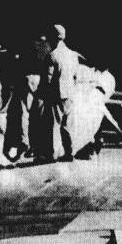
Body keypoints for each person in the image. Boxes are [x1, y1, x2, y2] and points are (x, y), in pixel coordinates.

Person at [41, 24, 81, 162]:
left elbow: (48, 78)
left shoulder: (52, 56)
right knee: (67, 125)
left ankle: (51, 154)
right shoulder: (73, 55)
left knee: (53, 124)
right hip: (70, 94)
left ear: (53, 38)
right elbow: (76, 76)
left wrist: (44, 94)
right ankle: (69, 153)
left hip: (56, 95)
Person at [4, 71, 41, 161]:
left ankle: (25, 146)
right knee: (27, 115)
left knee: (24, 115)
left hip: (27, 81)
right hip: (30, 81)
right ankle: (28, 146)